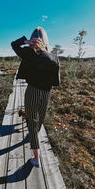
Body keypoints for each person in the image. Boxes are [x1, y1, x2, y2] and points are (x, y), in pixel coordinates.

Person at [11, 27, 60, 167]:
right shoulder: (54, 58)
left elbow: (14, 45)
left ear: (33, 39)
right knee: (40, 118)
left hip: (32, 90)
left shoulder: (28, 53)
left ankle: (37, 159)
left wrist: (25, 41)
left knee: (32, 122)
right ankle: (35, 138)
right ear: (46, 39)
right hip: (47, 92)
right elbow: (56, 81)